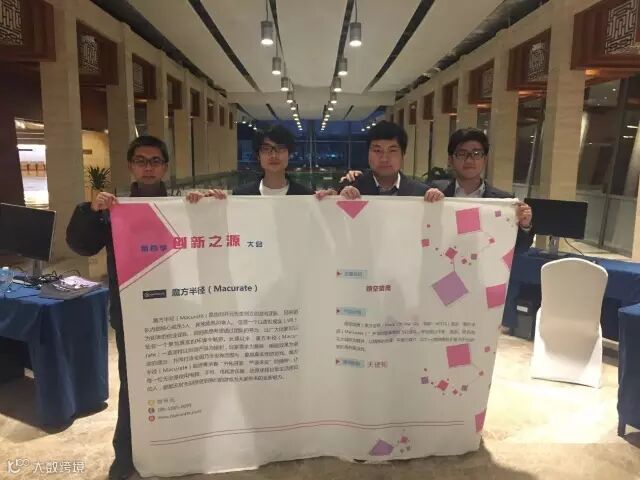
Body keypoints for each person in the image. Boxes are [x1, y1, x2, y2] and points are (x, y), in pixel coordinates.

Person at [66, 135, 202, 480]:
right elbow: (82, 245)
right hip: (133, 313)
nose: (148, 167)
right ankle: (125, 453)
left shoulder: (181, 206)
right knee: (134, 384)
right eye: (141, 161)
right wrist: (91, 211)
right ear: (131, 166)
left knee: (182, 380)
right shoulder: (116, 209)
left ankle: (179, 444)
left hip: (179, 310)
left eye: (155, 161)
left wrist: (208, 206)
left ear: (165, 167)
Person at [200, 125, 313, 200]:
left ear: (289, 154)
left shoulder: (306, 195)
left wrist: (324, 203)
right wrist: (205, 204)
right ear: (258, 156)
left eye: (280, 148)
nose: (274, 155)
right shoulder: (241, 194)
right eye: (266, 149)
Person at [335, 121, 429, 199]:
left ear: (403, 154)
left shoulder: (421, 192)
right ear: (368, 153)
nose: (384, 158)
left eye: (392, 151)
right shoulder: (351, 189)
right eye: (377, 150)